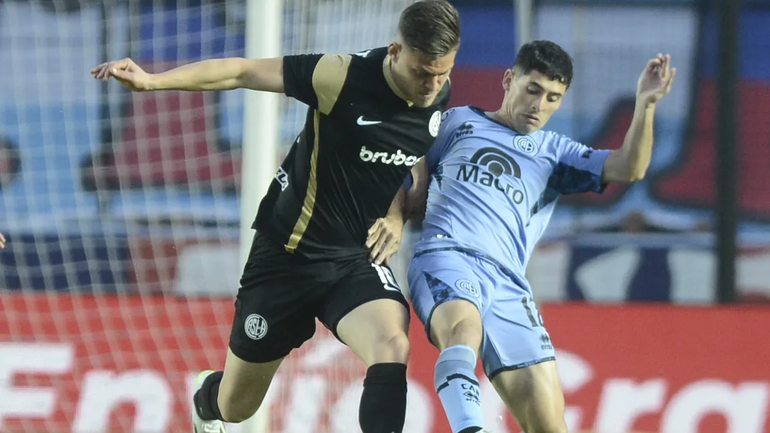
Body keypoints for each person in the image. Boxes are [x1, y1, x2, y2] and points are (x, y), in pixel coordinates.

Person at [91, 2, 460, 432]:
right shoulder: (340, 76)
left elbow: (407, 157)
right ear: (396, 51)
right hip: (286, 258)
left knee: (392, 344)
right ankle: (206, 400)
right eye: (422, 73)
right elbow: (242, 71)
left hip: (352, 261)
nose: (432, 85)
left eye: (442, 73)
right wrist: (154, 82)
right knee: (237, 406)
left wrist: (396, 216)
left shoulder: (438, 93)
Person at [372, 40, 676, 433]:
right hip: (448, 256)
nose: (539, 105)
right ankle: (469, 427)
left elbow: (628, 168)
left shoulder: (555, 153)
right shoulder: (455, 122)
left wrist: (646, 105)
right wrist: (395, 218)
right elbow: (402, 171)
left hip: (511, 288)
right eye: (532, 89)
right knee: (464, 330)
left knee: (550, 422)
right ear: (508, 79)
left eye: (552, 97)